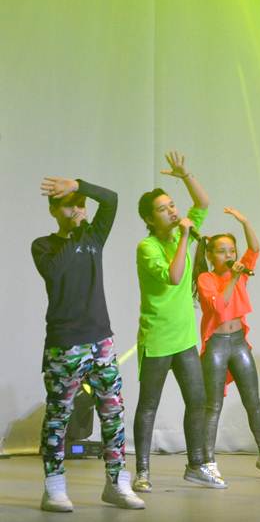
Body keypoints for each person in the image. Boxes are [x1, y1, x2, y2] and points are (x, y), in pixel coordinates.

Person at [33, 177, 145, 511]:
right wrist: (73, 231)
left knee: (113, 413)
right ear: (54, 211)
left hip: (101, 341)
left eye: (81, 204)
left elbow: (111, 199)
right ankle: (54, 487)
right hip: (64, 345)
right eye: (69, 205)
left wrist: (78, 185)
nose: (78, 210)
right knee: (59, 416)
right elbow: (57, 273)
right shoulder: (43, 246)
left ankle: (117, 483)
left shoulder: (94, 237)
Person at [133, 151, 225, 492]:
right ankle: (142, 472)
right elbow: (173, 277)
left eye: (172, 205)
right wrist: (185, 235)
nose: (172, 211)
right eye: (163, 209)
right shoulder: (148, 246)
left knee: (197, 401)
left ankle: (196, 465)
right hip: (157, 339)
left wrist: (185, 175)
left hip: (184, 338)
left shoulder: (179, 234)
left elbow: (203, 201)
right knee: (148, 406)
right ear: (149, 218)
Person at [193, 207, 260, 482]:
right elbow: (219, 308)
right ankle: (208, 462)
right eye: (222, 251)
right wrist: (234, 277)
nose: (229, 255)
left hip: (238, 342)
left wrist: (244, 221)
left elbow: (254, 249)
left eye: (232, 250)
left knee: (253, 401)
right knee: (213, 406)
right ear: (210, 255)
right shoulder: (206, 279)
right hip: (216, 345)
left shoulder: (242, 272)